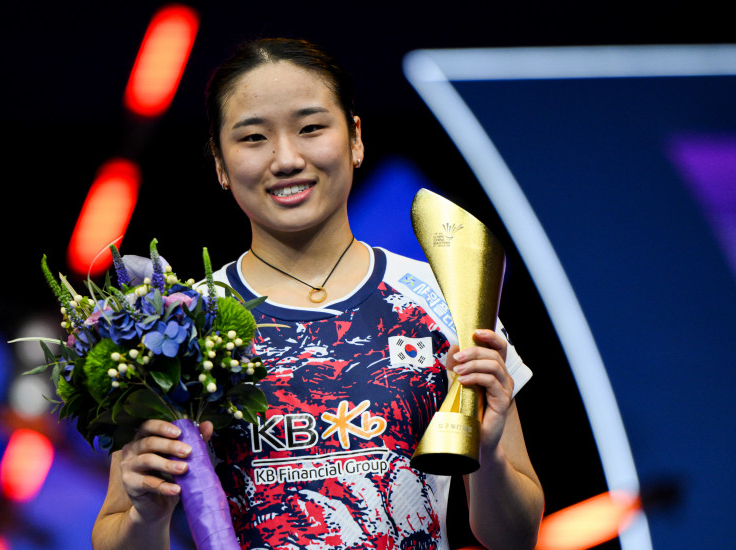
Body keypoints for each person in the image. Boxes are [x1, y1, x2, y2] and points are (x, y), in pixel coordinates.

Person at [92, 38, 543, 550]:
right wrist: (147, 516)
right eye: (254, 138)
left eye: (311, 128)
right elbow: (115, 531)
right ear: (219, 162)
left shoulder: (448, 301)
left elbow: (514, 538)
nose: (287, 159)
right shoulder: (176, 331)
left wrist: (487, 456)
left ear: (354, 137)